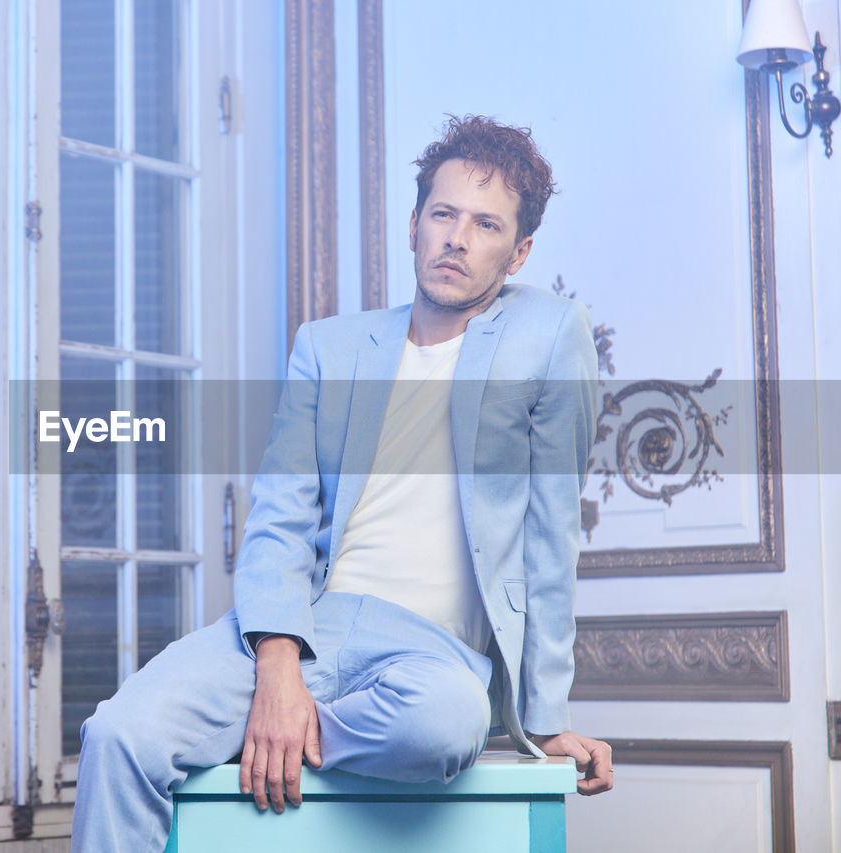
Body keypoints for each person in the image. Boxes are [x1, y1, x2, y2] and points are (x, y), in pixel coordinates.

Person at [71, 115, 613, 853]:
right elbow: (279, 516)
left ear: (518, 252)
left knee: (447, 724)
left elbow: (553, 534)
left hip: (429, 656)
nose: (456, 237)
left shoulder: (550, 335)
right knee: (117, 736)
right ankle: (272, 710)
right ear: (412, 224)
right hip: (306, 624)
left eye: (485, 224)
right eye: (443, 213)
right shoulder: (327, 346)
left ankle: (277, 733)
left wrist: (545, 717)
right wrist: (278, 666)